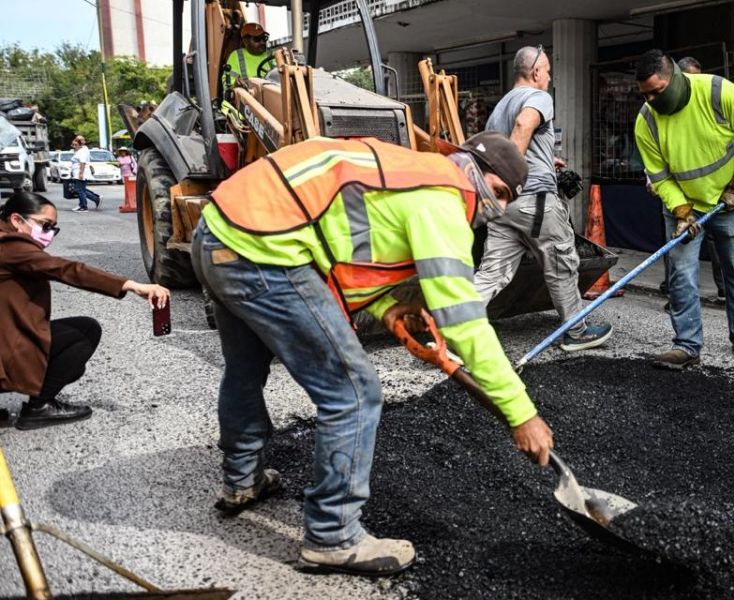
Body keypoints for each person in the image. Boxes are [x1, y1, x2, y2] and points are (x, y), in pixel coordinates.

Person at [193, 132, 555, 576]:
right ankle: (333, 536)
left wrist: (386, 309)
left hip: (219, 232)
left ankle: (242, 480)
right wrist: (520, 412)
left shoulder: (413, 174)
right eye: (497, 193)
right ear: (477, 172)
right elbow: (463, 321)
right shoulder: (444, 199)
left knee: (245, 369)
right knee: (354, 391)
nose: (493, 208)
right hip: (263, 251)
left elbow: (344, 244)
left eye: (505, 201)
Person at [634, 49, 734, 369]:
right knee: (681, 274)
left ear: (676, 79)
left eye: (657, 91)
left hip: (730, 202)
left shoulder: (720, 93)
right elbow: (660, 175)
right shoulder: (646, 121)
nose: (652, 100)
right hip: (684, 205)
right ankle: (686, 344)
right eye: (646, 94)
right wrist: (682, 211)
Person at [474, 46, 613, 351]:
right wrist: (513, 172)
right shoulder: (538, 97)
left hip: (503, 205)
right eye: (548, 71)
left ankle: (449, 332)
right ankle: (576, 332)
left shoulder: (498, 109)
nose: (549, 78)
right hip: (533, 198)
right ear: (536, 72)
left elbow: (511, 142)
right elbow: (524, 125)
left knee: (492, 272)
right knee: (562, 262)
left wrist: (545, 161)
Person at [0, 191, 169, 430]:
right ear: (17, 220)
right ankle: (39, 408)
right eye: (44, 225)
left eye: (53, 228)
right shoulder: (11, 246)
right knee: (85, 332)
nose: (49, 234)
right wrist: (130, 285)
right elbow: (65, 268)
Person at [660, 56, 725, 301]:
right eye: (691, 79)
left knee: (720, 246)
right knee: (680, 253)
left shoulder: (710, 106)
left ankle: (725, 291)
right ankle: (677, 296)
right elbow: (655, 154)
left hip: (712, 194)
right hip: (678, 194)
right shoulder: (665, 109)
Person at [224, 22, 275, 89]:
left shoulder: (272, 55)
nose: (262, 42)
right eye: (257, 39)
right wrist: (235, 84)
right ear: (245, 41)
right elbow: (228, 82)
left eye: (264, 38)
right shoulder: (236, 56)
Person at [68, 135, 101, 212]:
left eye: (75, 144)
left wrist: (81, 173)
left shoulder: (83, 151)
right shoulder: (80, 150)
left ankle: (84, 206)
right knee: (81, 189)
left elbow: (82, 163)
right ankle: (91, 200)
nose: (73, 146)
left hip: (81, 173)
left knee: (80, 190)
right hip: (77, 173)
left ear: (80, 144)